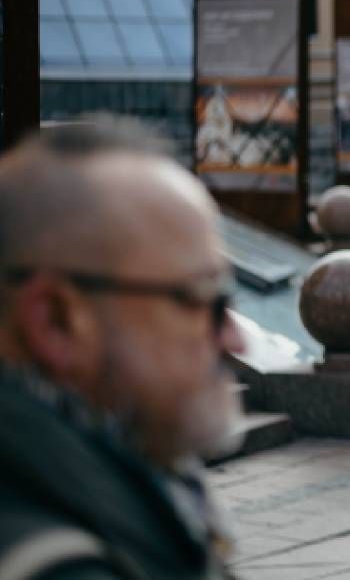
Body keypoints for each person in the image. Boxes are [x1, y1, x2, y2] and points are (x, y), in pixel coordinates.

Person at [0, 119, 245, 579]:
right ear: (56, 320)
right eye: (200, 298)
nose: (235, 339)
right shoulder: (58, 564)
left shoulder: (133, 485)